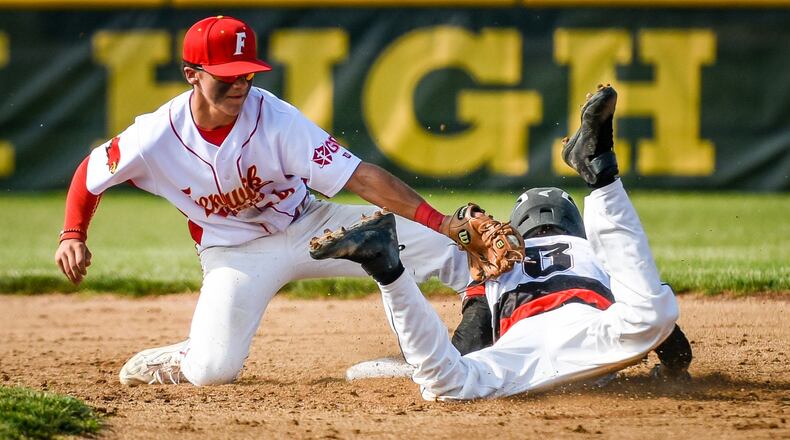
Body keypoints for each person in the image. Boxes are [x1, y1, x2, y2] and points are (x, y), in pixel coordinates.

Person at [54, 15, 471, 386]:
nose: (239, 84)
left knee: (453, 251)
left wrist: (443, 223)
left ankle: (485, 336)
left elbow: (359, 177)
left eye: (247, 74)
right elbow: (90, 174)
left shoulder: (278, 120)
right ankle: (189, 351)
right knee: (213, 371)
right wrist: (73, 233)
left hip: (311, 224)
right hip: (235, 253)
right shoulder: (154, 136)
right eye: (226, 75)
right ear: (191, 74)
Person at [311, 85, 689, 400]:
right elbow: (676, 347)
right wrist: (672, 371)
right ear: (575, 226)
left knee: (446, 382)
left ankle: (387, 268)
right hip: (597, 339)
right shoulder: (593, 251)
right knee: (651, 315)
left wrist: (450, 360)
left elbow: (468, 343)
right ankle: (601, 177)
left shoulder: (495, 266)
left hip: (522, 355)